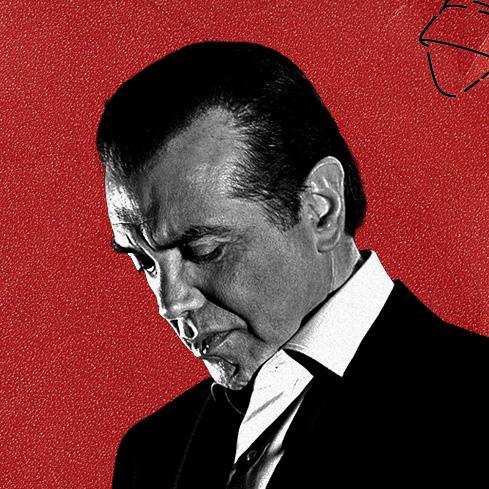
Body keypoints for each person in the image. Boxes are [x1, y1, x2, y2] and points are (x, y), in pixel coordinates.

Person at [96, 42, 488, 488]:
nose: (170, 304)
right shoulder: (149, 455)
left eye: (203, 249)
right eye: (145, 262)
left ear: (322, 207)